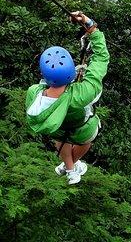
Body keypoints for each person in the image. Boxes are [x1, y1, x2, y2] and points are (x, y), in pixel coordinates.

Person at [26, 11, 110, 184]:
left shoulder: (34, 92)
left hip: (58, 129)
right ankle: (71, 167)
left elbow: (43, 86)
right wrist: (90, 26)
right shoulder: (82, 93)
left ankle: (69, 167)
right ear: (71, 72)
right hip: (81, 129)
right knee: (88, 140)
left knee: (61, 139)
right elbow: (101, 59)